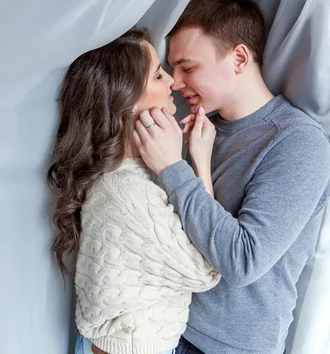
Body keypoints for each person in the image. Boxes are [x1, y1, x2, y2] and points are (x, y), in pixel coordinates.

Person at [134, 0, 330, 354]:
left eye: (188, 67)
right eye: (173, 69)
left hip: (228, 347)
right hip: (163, 328)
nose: (176, 83)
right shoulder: (197, 131)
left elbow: (243, 262)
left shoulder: (298, 143)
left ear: (239, 58)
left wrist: (171, 167)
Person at [47, 28, 221, 354]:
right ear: (127, 102)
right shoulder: (127, 193)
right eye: (158, 75)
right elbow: (207, 270)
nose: (171, 82)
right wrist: (200, 161)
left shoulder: (132, 171)